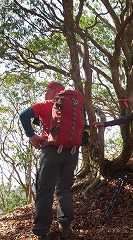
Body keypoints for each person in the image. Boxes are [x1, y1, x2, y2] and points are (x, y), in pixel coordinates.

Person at [19, 82, 78, 240]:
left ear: (53, 92)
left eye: (46, 90)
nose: (44, 93)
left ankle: (42, 231)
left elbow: (23, 116)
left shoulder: (44, 105)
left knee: (45, 191)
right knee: (64, 189)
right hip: (71, 152)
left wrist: (32, 135)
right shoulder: (73, 107)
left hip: (51, 152)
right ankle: (65, 227)